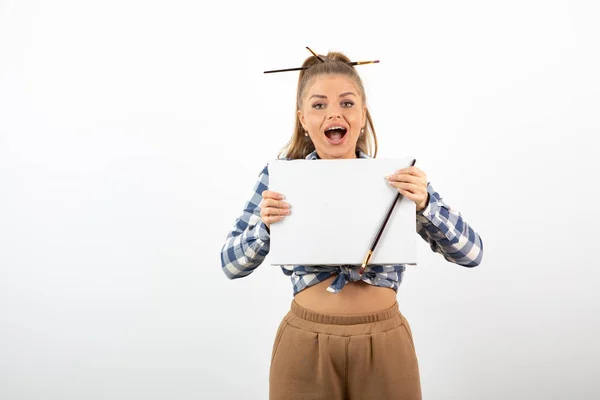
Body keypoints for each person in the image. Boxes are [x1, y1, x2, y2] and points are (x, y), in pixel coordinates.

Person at [220, 51, 484, 400]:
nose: (334, 113)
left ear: (362, 115)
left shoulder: (396, 179)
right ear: (302, 118)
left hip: (385, 343)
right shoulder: (280, 178)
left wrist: (425, 205)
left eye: (347, 103)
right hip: (304, 344)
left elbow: (472, 254)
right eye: (318, 105)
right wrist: (265, 229)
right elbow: (229, 265)